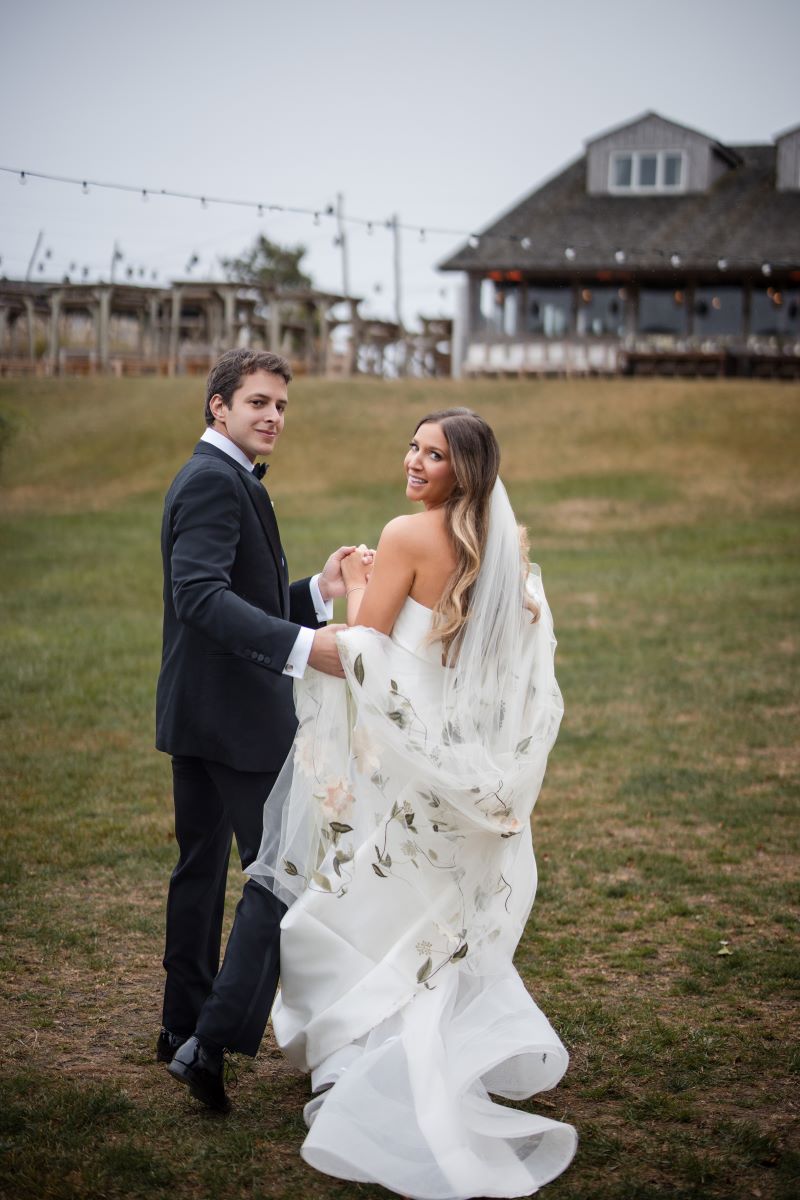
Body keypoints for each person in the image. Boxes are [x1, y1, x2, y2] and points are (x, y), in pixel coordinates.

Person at [249, 408, 577, 1197]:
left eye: (434, 455)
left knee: (368, 902)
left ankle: (376, 1055)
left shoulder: (404, 535)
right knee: (429, 913)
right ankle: (418, 1038)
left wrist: (357, 580)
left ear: (464, 469)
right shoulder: (508, 548)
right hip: (465, 771)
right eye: (413, 447)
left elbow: (367, 643)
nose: (415, 463)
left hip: (404, 764)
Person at [155, 347, 367, 1112]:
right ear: (219, 406)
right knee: (282, 875)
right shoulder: (215, 480)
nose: (273, 416)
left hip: (198, 710)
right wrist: (308, 647)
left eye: (281, 405)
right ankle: (207, 1045)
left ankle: (179, 1025)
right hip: (238, 719)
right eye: (257, 403)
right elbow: (201, 599)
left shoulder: (221, 475)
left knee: (202, 872)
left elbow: (240, 594)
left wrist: (317, 592)